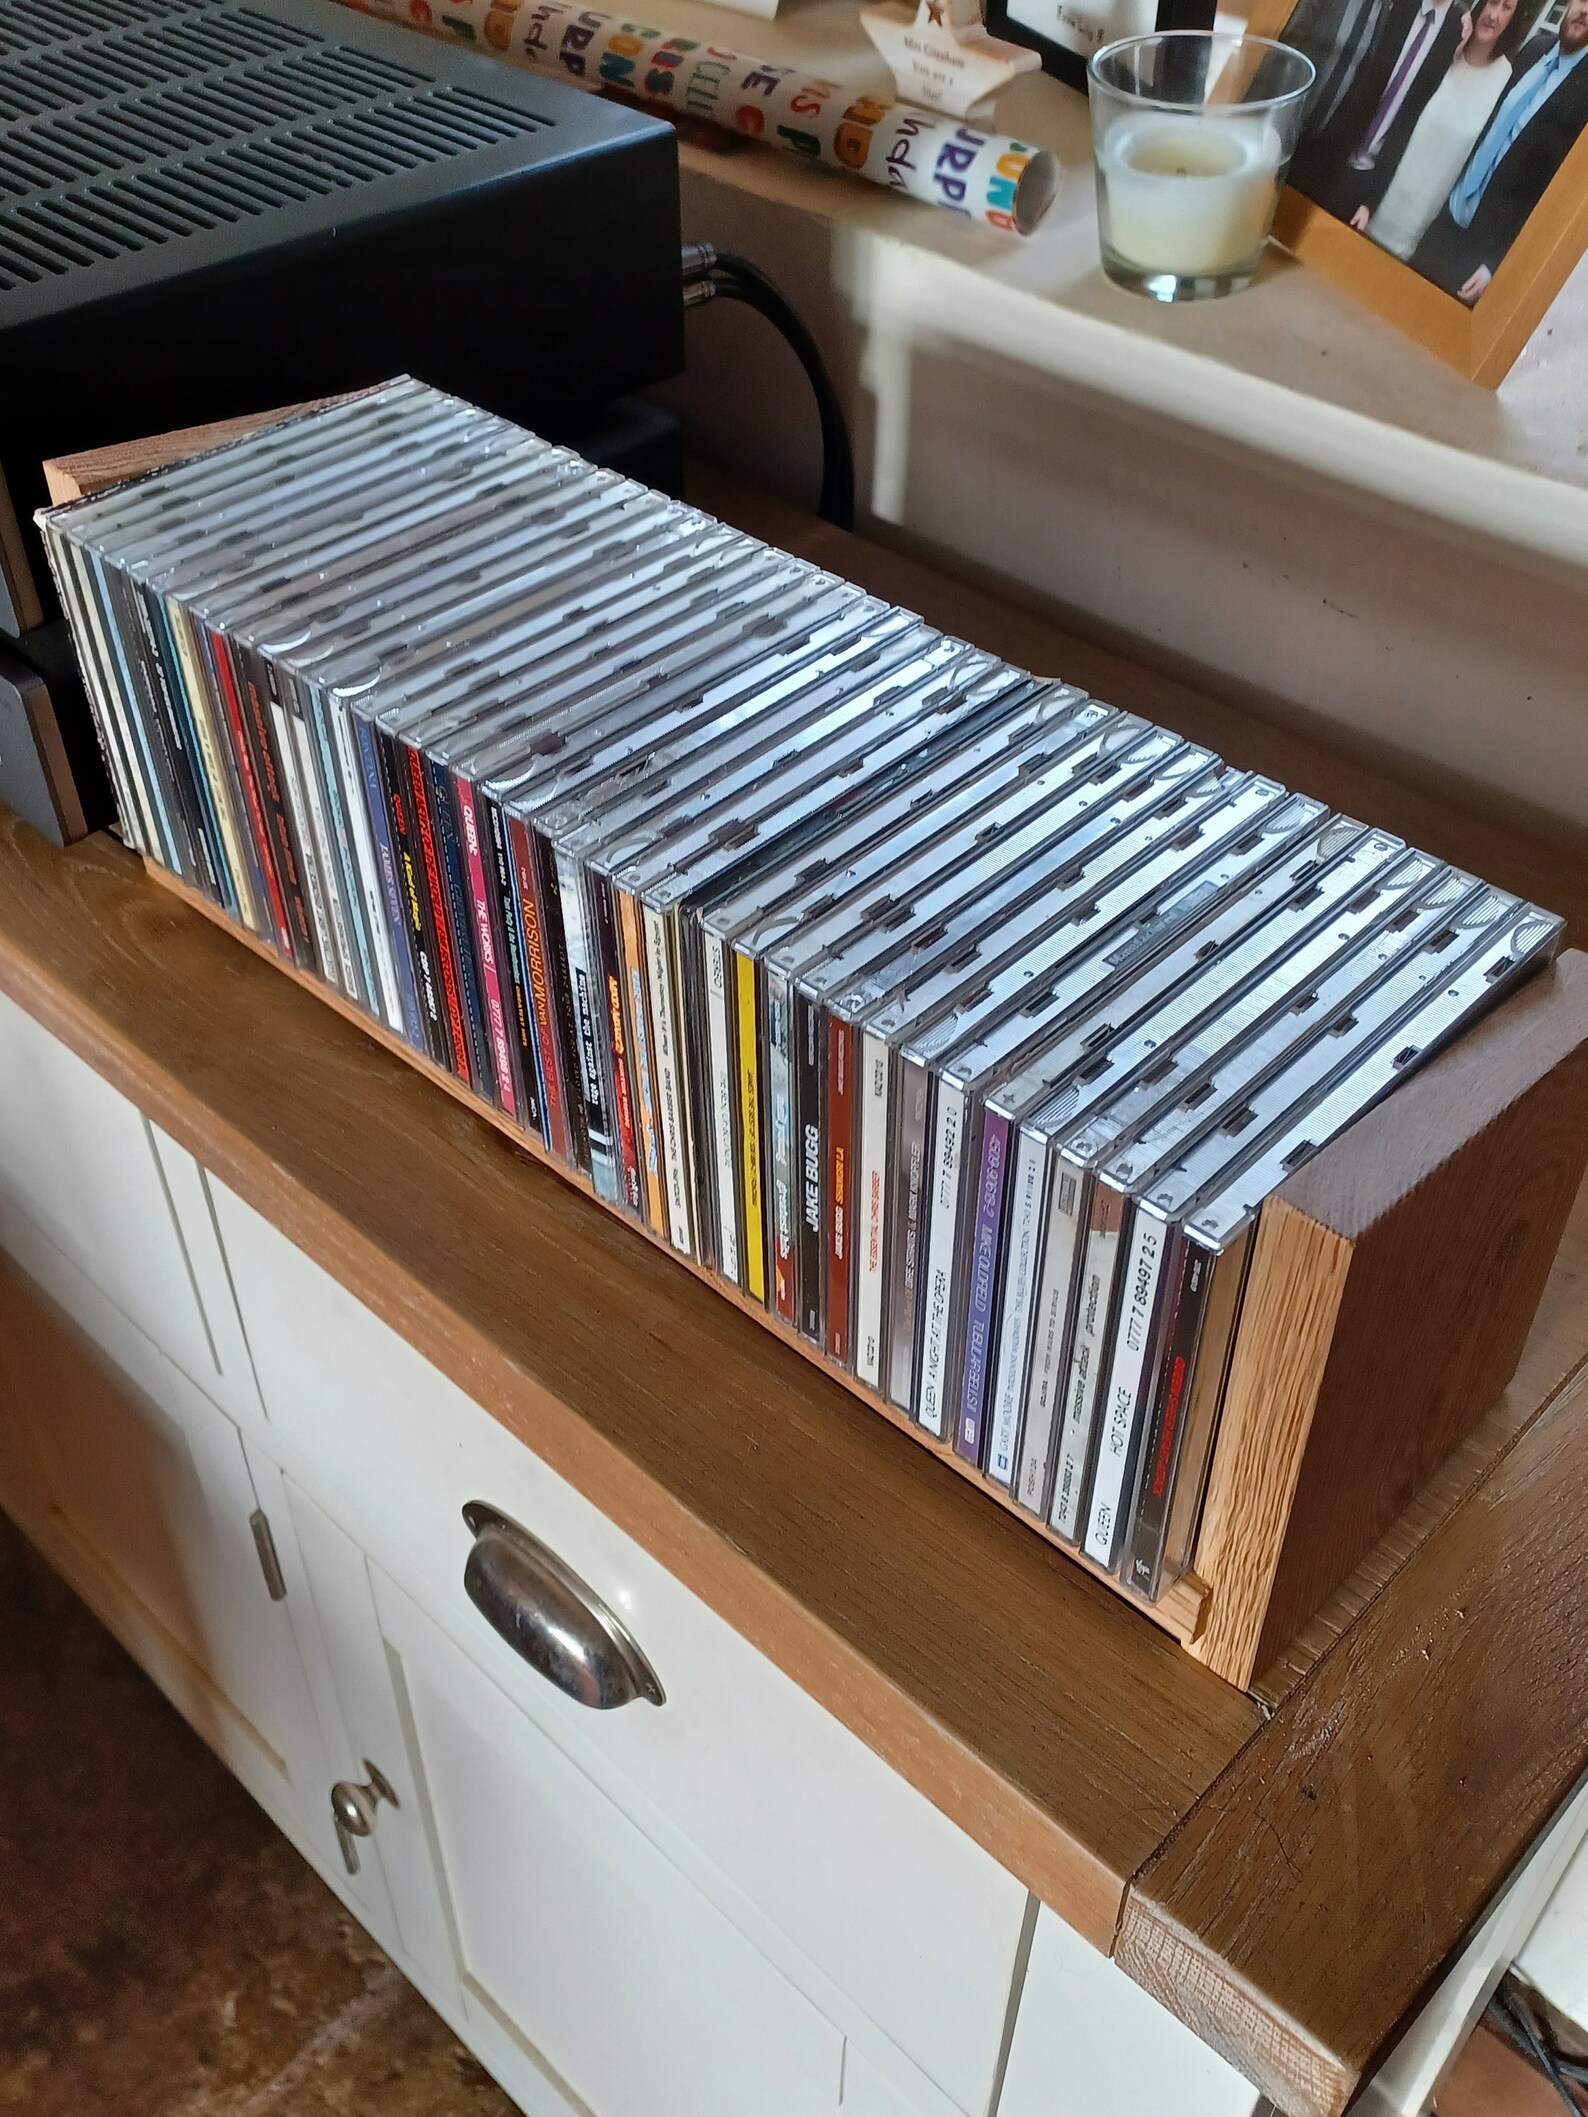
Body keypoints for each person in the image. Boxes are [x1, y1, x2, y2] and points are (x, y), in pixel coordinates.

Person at [1414, 0, 1588, 298]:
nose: (1585, 10)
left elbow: (1563, 197)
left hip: (1483, 254)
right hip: (1447, 214)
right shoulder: (1535, 50)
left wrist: (1497, 264)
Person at [1359, 0, 1537, 256]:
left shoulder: (1505, 82)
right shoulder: (1445, 50)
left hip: (1421, 234)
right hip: (1375, 203)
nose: (1494, 15)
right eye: (1492, 3)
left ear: (1514, 19)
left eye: (1506, 8)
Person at [1286, 0, 1470, 220]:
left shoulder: (1456, 31)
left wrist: (1371, 200)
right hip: (1326, 146)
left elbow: (1410, 118)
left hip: (1366, 175)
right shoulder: (1397, 6)